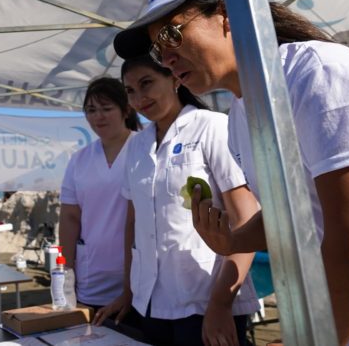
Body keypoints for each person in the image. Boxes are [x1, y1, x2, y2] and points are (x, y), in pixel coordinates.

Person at [113, 0, 349, 345]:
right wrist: (235, 240)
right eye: (158, 49)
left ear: (228, 15)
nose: (167, 57)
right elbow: (296, 209)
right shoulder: (241, 117)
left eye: (172, 33)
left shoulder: (317, 71)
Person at [94, 54, 260, 346]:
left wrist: (220, 304)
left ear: (173, 78)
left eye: (147, 83)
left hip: (206, 298)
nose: (139, 98)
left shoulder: (212, 127)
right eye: (130, 90)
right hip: (151, 303)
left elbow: (245, 218)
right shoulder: (137, 147)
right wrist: (129, 291)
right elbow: (134, 225)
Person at [58, 77, 142, 335]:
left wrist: (131, 287)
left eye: (107, 109)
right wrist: (66, 276)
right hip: (91, 279)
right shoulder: (79, 160)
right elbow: (70, 219)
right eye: (91, 110)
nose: (98, 117)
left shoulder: (145, 147)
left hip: (140, 281)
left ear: (126, 109)